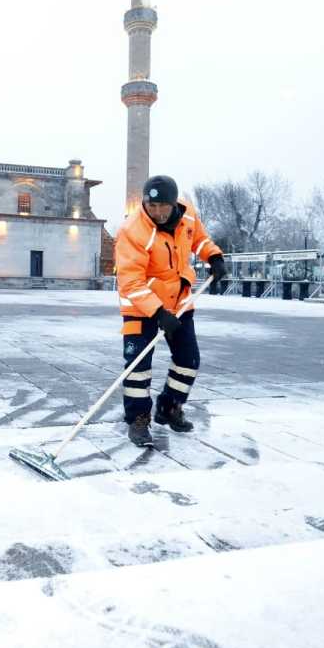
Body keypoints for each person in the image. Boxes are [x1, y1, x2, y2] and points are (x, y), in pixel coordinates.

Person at [115, 175, 226, 446]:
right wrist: (157, 312)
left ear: (173, 203)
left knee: (189, 360)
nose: (156, 212)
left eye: (162, 206)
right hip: (141, 308)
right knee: (138, 367)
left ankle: (169, 406)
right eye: (151, 206)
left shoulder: (187, 216)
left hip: (179, 302)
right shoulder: (132, 230)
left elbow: (199, 240)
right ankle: (138, 420)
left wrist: (214, 256)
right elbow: (130, 281)